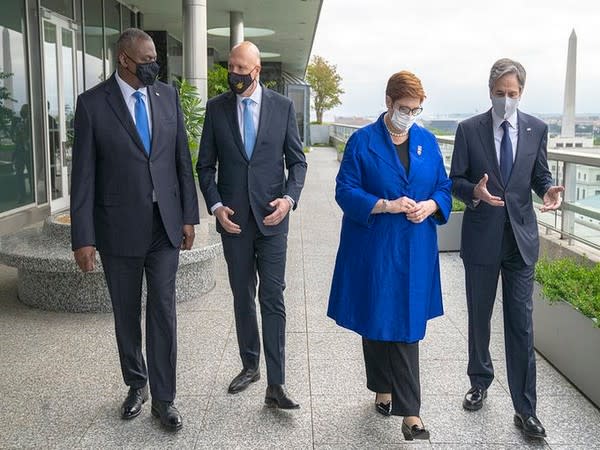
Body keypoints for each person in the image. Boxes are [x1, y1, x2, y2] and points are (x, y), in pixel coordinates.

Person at [70, 28, 199, 431]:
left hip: (164, 227)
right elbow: (83, 177)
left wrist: (189, 216)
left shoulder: (167, 96)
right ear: (124, 60)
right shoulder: (93, 105)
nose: (153, 65)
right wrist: (83, 237)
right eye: (146, 59)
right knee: (126, 314)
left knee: (162, 310)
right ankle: (136, 383)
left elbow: (181, 160)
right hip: (118, 229)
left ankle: (164, 399)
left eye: (154, 58)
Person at [327, 71, 452, 441]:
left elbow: (443, 187)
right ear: (388, 102)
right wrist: (384, 204)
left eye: (416, 109)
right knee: (376, 319)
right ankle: (382, 387)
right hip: (375, 247)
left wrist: (431, 205)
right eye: (403, 108)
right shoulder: (362, 142)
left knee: (406, 328)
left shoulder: (427, 142)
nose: (409, 115)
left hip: (414, 249)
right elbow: (344, 190)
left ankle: (410, 412)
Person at [450, 58, 564, 439]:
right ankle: (479, 380)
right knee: (479, 317)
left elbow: (538, 174)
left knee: (521, 325)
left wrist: (547, 188)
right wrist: (474, 193)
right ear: (490, 92)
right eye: (499, 94)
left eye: (512, 94)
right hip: (482, 237)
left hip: (520, 241)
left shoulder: (536, 129)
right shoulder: (469, 130)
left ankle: (525, 408)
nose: (505, 100)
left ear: (521, 93)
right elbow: (457, 180)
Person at [197, 41, 307, 409]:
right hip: (234, 223)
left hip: (273, 220)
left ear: (256, 71)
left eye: (241, 69)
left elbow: (298, 162)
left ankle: (276, 383)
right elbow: (205, 166)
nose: (235, 74)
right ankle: (250, 366)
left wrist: (289, 199)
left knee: (272, 298)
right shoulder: (216, 109)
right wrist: (215, 206)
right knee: (243, 294)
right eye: (231, 66)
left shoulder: (282, 107)